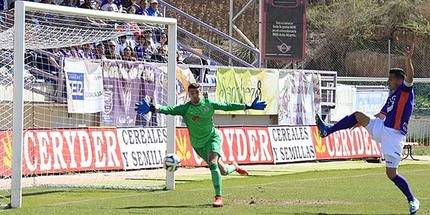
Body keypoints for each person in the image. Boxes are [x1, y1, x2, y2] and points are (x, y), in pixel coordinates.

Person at [315, 44, 419, 215]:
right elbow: (381, 114)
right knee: (358, 115)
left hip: (394, 136)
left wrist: (408, 59)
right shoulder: (392, 95)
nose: (388, 81)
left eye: (391, 79)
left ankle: (412, 200)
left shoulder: (405, 91)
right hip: (382, 128)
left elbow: (411, 77)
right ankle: (327, 130)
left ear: (399, 80)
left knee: (391, 174)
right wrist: (362, 122)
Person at [135, 83, 267, 207]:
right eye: (192, 93)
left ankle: (218, 197)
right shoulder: (186, 108)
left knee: (213, 163)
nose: (194, 95)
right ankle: (234, 167)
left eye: (197, 92)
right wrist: (153, 108)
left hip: (212, 138)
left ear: (201, 92)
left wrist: (248, 106)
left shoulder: (209, 104)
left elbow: (227, 106)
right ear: (189, 95)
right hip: (198, 144)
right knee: (224, 171)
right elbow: (170, 109)